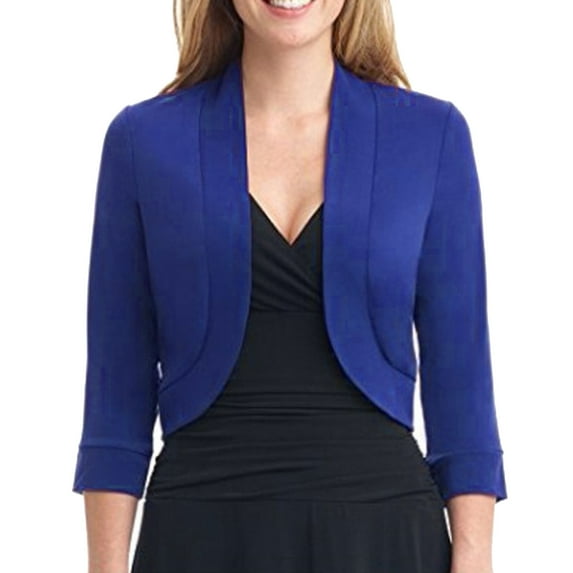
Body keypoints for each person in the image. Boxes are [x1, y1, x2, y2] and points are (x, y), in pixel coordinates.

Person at [72, 1, 508, 572]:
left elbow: (462, 388)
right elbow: (115, 397)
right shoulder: (143, 142)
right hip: (198, 537)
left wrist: (474, 561)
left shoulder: (432, 137)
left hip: (384, 540)